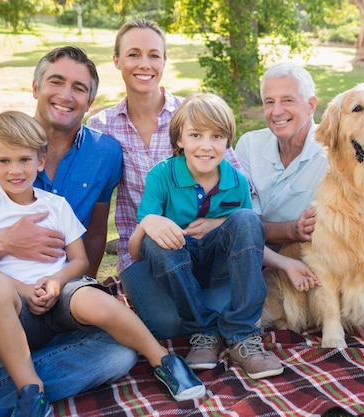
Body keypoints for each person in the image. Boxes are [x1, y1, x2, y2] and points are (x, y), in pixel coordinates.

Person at [0, 111, 205, 415]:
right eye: (4, 161)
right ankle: (30, 389)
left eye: (24, 160)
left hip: (61, 294)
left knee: (93, 298)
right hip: (13, 308)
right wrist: (21, 288)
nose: (15, 170)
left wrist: (57, 282)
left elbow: (79, 260)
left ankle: (163, 360)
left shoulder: (56, 205)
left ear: (40, 161)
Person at [87, 19, 317, 338]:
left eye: (154, 55)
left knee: (224, 310)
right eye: (133, 54)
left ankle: (216, 322)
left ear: (164, 61)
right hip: (145, 252)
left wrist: (219, 224)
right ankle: (202, 321)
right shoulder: (102, 126)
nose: (144, 64)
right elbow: (93, 206)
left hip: (207, 250)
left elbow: (242, 209)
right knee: (170, 325)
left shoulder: (194, 116)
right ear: (116, 61)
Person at [0, 46, 138, 417]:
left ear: (91, 100)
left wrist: (73, 293)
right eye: (56, 81)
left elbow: (95, 234)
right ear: (35, 87)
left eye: (79, 88)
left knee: (118, 353)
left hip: (51, 301)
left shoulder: (105, 154)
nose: (66, 95)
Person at [128, 92, 284, 379]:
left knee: (249, 219)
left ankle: (242, 336)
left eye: (216, 136)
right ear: (179, 140)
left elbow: (248, 239)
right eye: (196, 135)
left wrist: (222, 222)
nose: (206, 146)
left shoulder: (236, 181)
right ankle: (203, 330)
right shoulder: (161, 176)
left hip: (218, 265)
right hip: (173, 267)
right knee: (156, 240)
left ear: (227, 142)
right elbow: (136, 253)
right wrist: (148, 221)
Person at [235, 61, 327, 290]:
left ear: (311, 105)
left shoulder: (332, 154)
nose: (276, 111)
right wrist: (293, 230)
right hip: (246, 255)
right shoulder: (249, 145)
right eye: (269, 102)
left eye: (287, 100)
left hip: (308, 261)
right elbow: (243, 225)